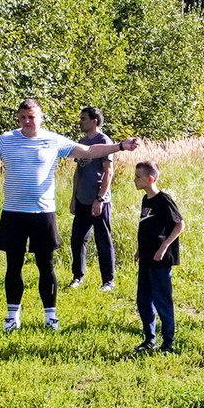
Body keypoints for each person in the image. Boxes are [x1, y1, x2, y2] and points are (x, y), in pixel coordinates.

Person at [0, 101, 138, 332]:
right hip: (14, 213)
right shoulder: (7, 140)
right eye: (22, 117)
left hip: (43, 213)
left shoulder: (53, 140)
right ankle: (12, 317)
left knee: (46, 266)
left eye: (31, 117)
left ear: (41, 117)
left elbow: (88, 151)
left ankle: (50, 317)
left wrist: (120, 146)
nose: (27, 121)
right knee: (13, 266)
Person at [133, 158, 184, 354]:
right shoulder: (146, 199)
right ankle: (149, 339)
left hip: (160, 260)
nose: (134, 180)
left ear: (150, 179)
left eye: (138, 177)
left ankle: (168, 342)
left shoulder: (164, 200)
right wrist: (140, 249)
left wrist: (164, 247)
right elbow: (146, 227)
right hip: (146, 258)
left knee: (162, 299)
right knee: (143, 300)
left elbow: (180, 224)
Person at [68, 106, 122, 293]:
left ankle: (108, 281)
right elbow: (78, 171)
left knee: (103, 240)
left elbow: (109, 171)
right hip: (82, 199)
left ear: (94, 121)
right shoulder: (82, 142)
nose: (80, 121)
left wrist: (100, 198)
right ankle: (77, 277)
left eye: (84, 118)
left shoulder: (104, 141)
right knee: (77, 239)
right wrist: (74, 197)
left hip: (99, 201)